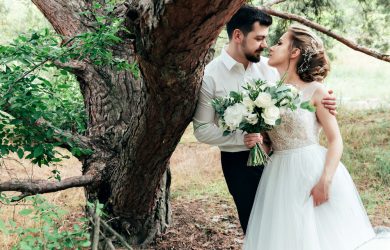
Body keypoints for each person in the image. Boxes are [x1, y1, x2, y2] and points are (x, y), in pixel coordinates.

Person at [192, 5, 337, 234]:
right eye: (259, 38)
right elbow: (201, 129)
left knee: (291, 223)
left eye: (267, 38)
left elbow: (298, 94)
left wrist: (326, 101)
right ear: (238, 35)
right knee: (256, 228)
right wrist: (243, 137)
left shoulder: (269, 68)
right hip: (239, 163)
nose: (265, 45)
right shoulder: (211, 76)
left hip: (280, 160)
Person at [243, 24, 375, 250]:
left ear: (295, 53)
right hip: (278, 175)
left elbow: (336, 140)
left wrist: (326, 180)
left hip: (311, 170)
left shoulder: (316, 91)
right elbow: (269, 143)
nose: (272, 48)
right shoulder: (266, 93)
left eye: (280, 43)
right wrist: (257, 142)